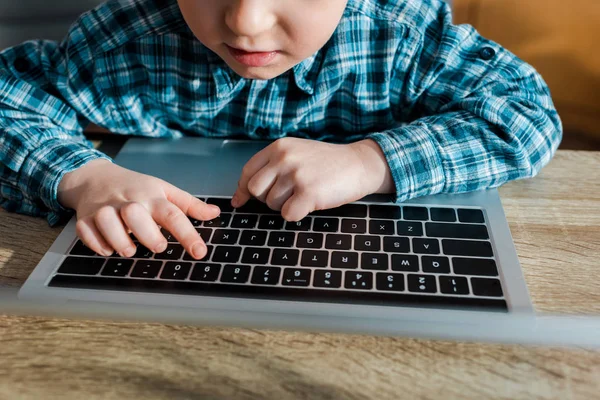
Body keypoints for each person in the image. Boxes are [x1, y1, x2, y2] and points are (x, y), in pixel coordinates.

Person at [0, 0, 562, 261]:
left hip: (358, 253)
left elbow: (526, 113)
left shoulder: (403, 35)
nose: (245, 21)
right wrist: (84, 175)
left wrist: (372, 161)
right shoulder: (129, 36)